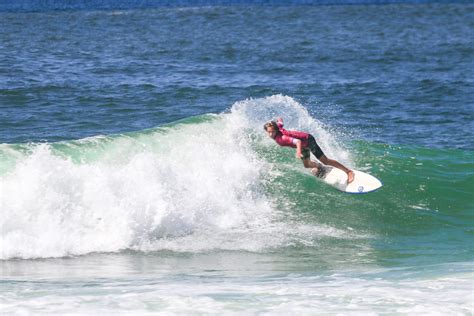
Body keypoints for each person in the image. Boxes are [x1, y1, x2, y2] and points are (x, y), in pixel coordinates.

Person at [264, 118, 354, 183]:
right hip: (303, 146)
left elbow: (297, 141)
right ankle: (318, 166)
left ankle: (348, 171)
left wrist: (298, 152)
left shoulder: (282, 138)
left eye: (272, 131)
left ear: (276, 130)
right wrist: (279, 120)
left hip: (308, 141)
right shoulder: (278, 128)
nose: (271, 134)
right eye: (269, 132)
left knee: (326, 161)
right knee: (307, 165)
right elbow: (280, 122)